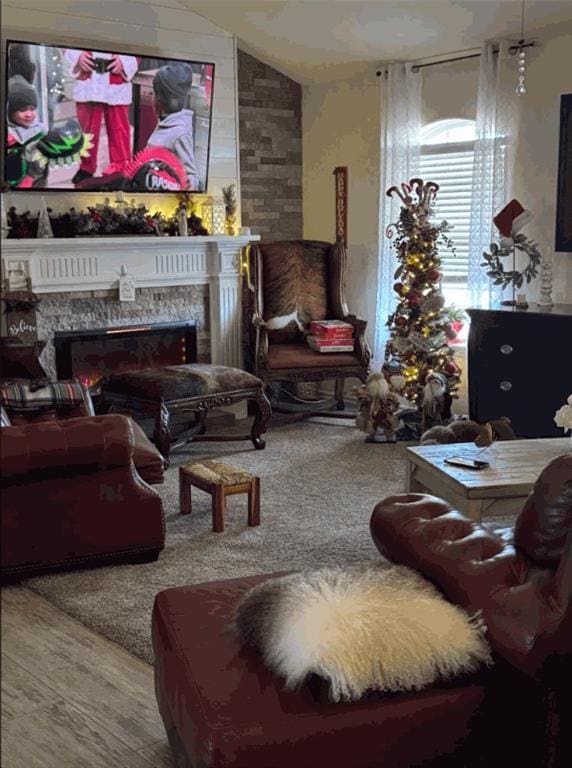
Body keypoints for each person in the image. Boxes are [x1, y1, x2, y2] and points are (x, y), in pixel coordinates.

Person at [64, 49, 138, 185]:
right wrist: (77, 56)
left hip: (116, 78)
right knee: (87, 128)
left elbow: (138, 43)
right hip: (88, 78)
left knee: (119, 129)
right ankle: (86, 167)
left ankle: (121, 169)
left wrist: (124, 61)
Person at [147, 62, 200, 190]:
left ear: (161, 100)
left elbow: (192, 178)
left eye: (154, 93)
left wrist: (168, 184)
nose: (151, 97)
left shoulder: (180, 134)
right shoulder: (164, 122)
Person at [5, 75, 47, 188]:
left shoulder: (37, 133)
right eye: (22, 110)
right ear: (10, 112)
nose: (29, 114)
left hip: (31, 185)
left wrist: (30, 178)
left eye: (32, 109)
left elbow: (39, 164)